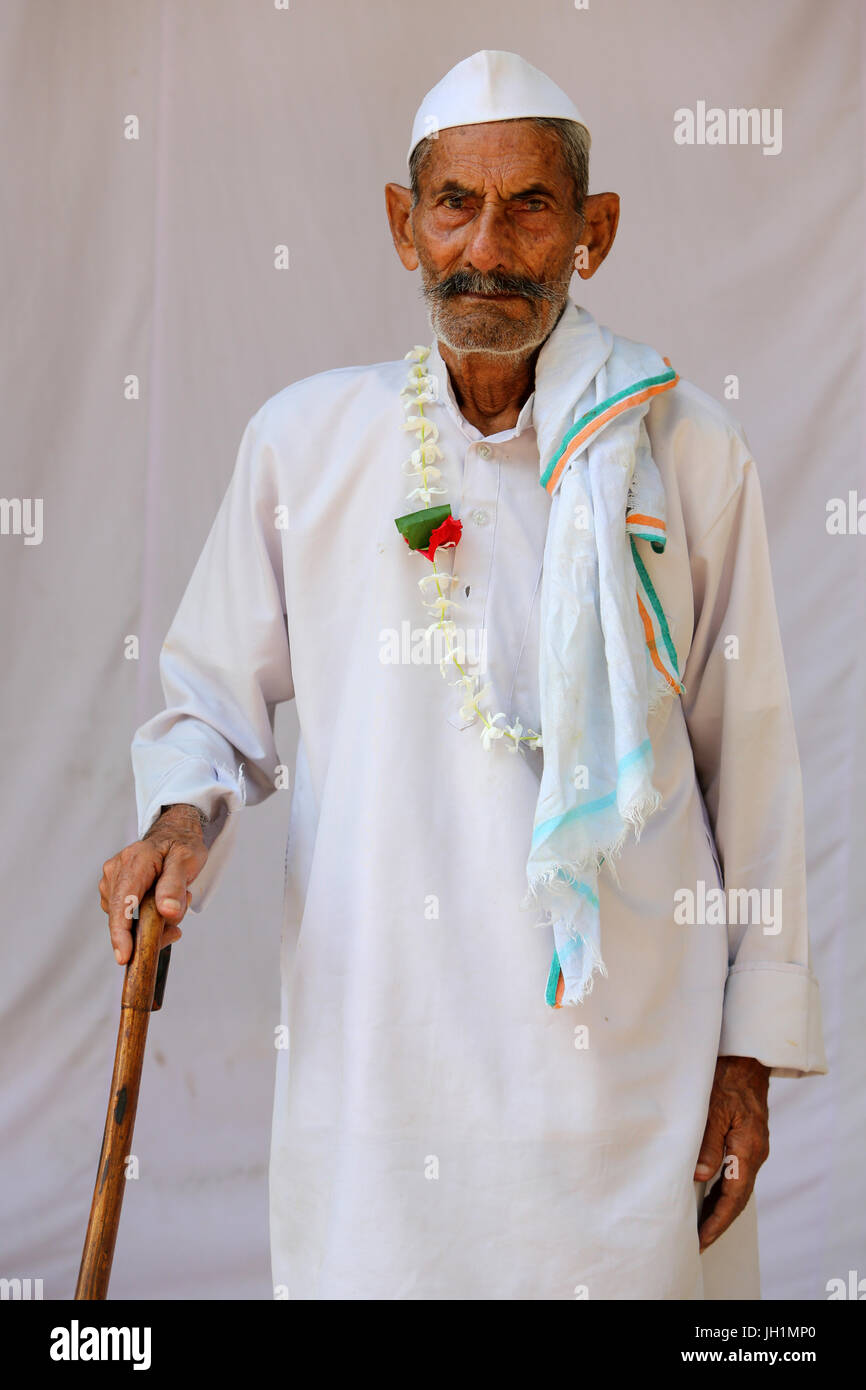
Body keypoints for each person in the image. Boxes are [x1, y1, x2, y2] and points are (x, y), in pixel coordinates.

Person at [99, 50, 827, 1299]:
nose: (486, 246)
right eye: (455, 204)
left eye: (530, 206)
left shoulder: (689, 455)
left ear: (591, 232)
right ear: (403, 224)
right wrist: (177, 815)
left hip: (624, 1078)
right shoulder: (303, 445)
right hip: (380, 1068)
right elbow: (208, 704)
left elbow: (747, 764)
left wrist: (746, 1058)